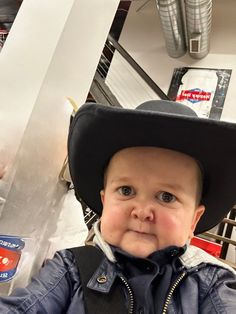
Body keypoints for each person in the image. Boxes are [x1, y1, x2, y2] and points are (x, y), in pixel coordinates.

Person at [0, 100, 236, 313]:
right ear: (105, 202)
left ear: (193, 221)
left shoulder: (210, 285)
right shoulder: (71, 270)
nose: (142, 211)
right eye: (126, 191)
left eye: (166, 197)